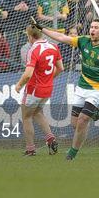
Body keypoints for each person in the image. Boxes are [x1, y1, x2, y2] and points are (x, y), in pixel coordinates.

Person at [31, 17, 99, 160]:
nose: (92, 30)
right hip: (82, 87)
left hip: (98, 90)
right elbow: (61, 37)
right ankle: (94, 112)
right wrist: (42, 29)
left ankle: (72, 153)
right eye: (91, 27)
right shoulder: (83, 41)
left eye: (96, 28)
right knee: (75, 124)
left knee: (83, 120)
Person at [14, 25, 63, 156]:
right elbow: (60, 68)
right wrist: (48, 79)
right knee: (38, 112)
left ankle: (30, 149)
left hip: (34, 89)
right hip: (47, 89)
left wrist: (19, 85)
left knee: (26, 116)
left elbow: (28, 74)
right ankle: (51, 139)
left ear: (30, 36)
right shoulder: (54, 47)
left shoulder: (34, 50)